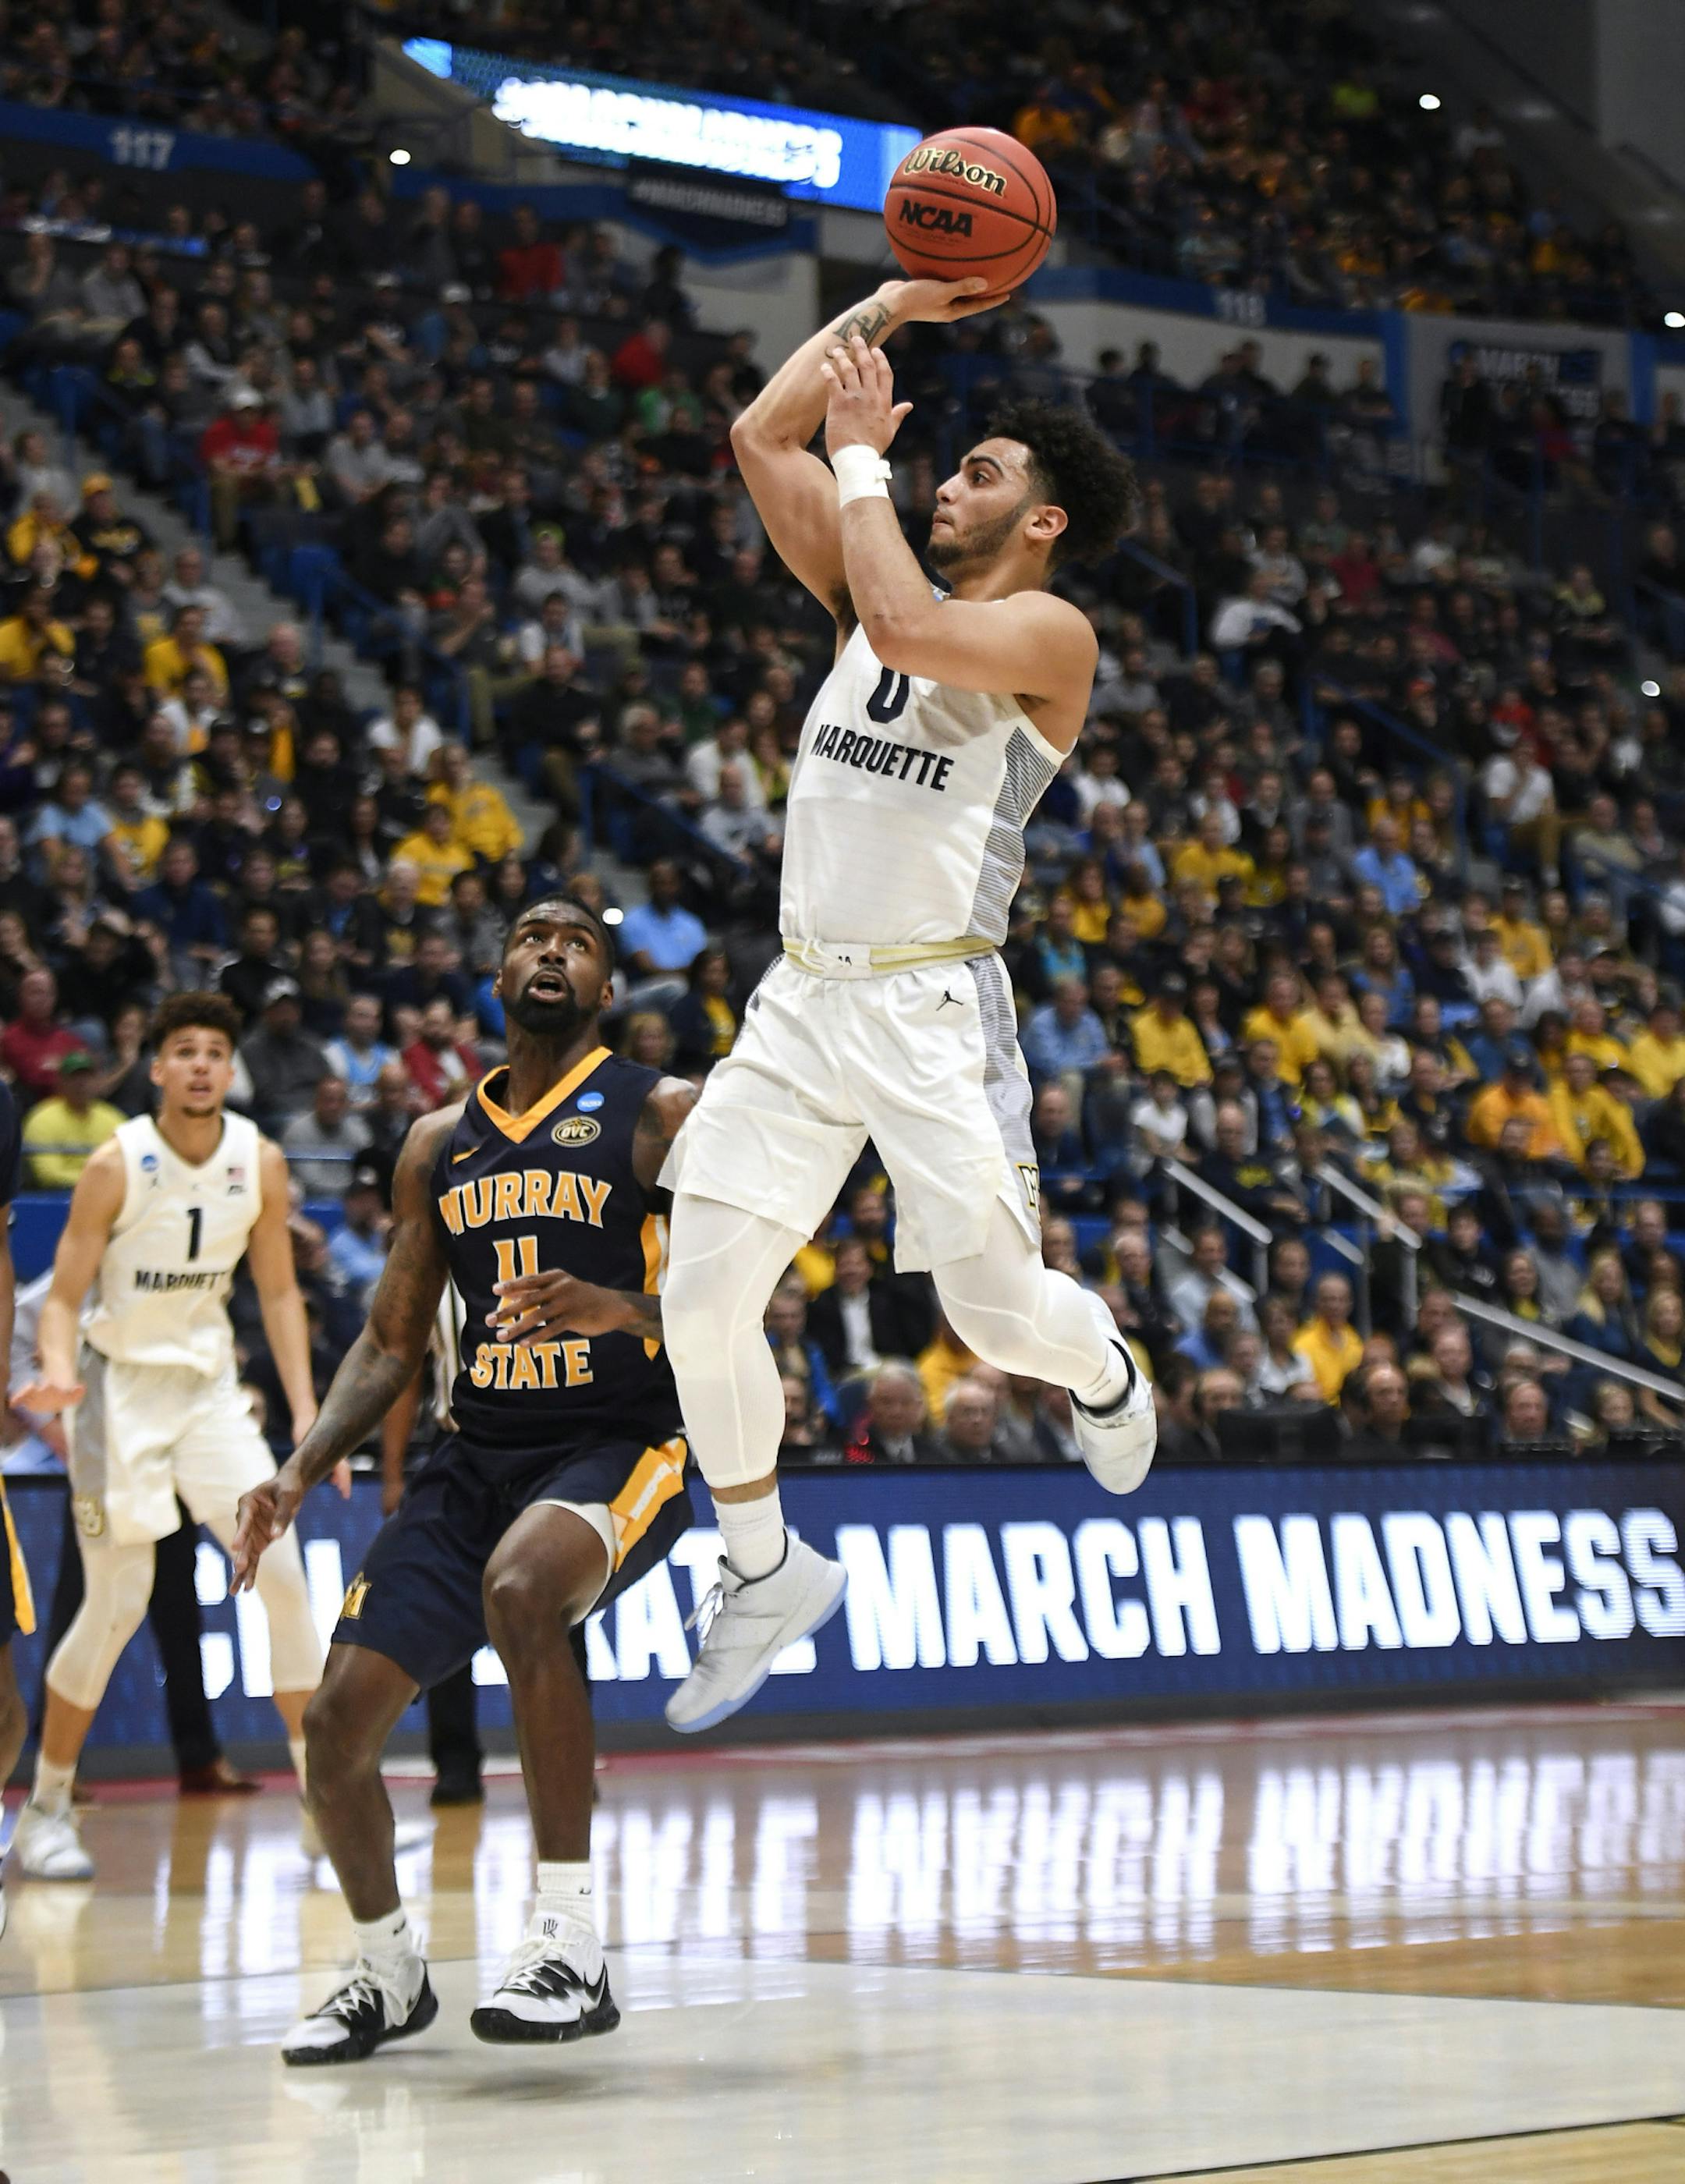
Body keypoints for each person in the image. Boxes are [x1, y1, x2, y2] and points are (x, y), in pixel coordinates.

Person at [656, 276, 1156, 1734]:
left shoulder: (1050, 639)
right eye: (948, 466)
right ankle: (764, 1570)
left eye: (983, 473)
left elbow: (907, 621)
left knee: (993, 1317)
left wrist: (866, 450)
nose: (951, 481)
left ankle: (1109, 1370)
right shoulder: (868, 595)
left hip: (934, 1007)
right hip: (805, 999)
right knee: (703, 1301)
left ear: (1044, 520)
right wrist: (888, 304)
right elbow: (761, 436)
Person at [230, 898, 695, 2062]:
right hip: (474, 1450)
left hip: (624, 1442)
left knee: (525, 1588)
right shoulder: (440, 1141)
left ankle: (571, 1941)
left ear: (607, 984)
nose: (553, 950)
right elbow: (391, 1341)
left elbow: (740, 1303)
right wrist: (298, 1468)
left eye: (578, 941)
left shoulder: (663, 1113)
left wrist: (619, 1310)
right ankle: (388, 1970)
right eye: (534, 936)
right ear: (497, 974)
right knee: (334, 1726)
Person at [9, 995, 335, 1884]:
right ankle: (44, 1809)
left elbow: (275, 1295)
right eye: (183, 1050)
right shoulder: (118, 1164)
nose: (199, 1064)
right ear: (155, 1068)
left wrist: (307, 1408)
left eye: (214, 1052)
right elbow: (66, 1294)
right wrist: (55, 1369)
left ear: (231, 1069)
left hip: (210, 1394)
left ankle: (323, 1804)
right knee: (116, 1601)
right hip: (116, 1393)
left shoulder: (258, 1161)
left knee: (285, 1579)